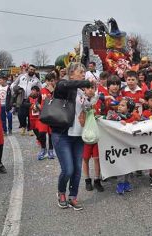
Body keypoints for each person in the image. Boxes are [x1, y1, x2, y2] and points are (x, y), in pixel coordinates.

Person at [51, 62, 92, 211]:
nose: (83, 74)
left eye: (84, 72)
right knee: (67, 169)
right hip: (62, 134)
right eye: (80, 71)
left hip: (78, 135)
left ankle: (73, 196)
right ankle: (61, 192)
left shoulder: (81, 91)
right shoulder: (63, 85)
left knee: (77, 169)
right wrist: (85, 82)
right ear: (72, 72)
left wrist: (91, 98)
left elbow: (86, 108)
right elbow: (63, 86)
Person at [106, 97, 140, 194]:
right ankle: (120, 184)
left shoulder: (133, 117)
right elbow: (107, 121)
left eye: (122, 105)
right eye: (119, 105)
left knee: (129, 164)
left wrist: (135, 124)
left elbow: (140, 124)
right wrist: (117, 123)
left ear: (129, 109)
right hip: (117, 145)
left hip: (128, 145)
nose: (119, 107)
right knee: (121, 164)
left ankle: (127, 182)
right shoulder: (114, 116)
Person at [82, 84, 104, 192]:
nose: (90, 90)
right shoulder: (81, 101)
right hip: (86, 134)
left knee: (97, 158)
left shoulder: (98, 101)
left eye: (92, 88)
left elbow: (102, 114)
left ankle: (97, 180)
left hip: (97, 135)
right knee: (85, 158)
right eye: (88, 88)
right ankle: (87, 180)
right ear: (84, 90)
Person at [11, 64, 42, 136]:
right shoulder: (21, 76)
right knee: (21, 115)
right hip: (21, 98)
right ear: (28, 69)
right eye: (31, 69)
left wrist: (37, 95)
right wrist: (16, 90)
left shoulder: (36, 80)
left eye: (33, 70)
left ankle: (30, 129)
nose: (32, 71)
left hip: (31, 99)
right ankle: (23, 126)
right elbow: (14, 84)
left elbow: (40, 89)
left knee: (30, 114)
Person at [37, 72, 57, 160]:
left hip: (53, 116)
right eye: (49, 81)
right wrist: (38, 107)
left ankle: (51, 150)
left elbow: (59, 101)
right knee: (41, 134)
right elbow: (37, 101)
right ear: (46, 81)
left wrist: (53, 91)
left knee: (51, 134)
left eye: (53, 81)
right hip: (43, 116)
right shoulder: (42, 91)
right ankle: (43, 148)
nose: (51, 83)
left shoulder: (56, 91)